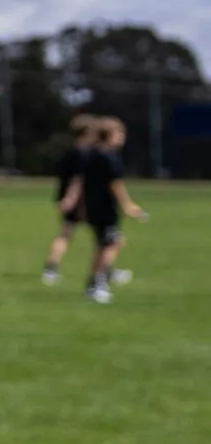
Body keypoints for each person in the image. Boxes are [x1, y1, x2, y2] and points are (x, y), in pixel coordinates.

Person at [60, 116, 147, 304]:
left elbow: (82, 183)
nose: (122, 137)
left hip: (93, 207)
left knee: (107, 243)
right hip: (105, 209)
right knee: (110, 244)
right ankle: (97, 285)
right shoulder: (108, 157)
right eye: (120, 134)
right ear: (110, 135)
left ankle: (100, 279)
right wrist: (128, 206)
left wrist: (81, 207)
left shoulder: (91, 154)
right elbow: (115, 185)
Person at [39, 115, 97, 284]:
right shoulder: (83, 154)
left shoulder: (71, 152)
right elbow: (77, 180)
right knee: (102, 237)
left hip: (69, 198)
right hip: (80, 201)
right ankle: (105, 269)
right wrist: (71, 199)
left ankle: (50, 269)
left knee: (67, 233)